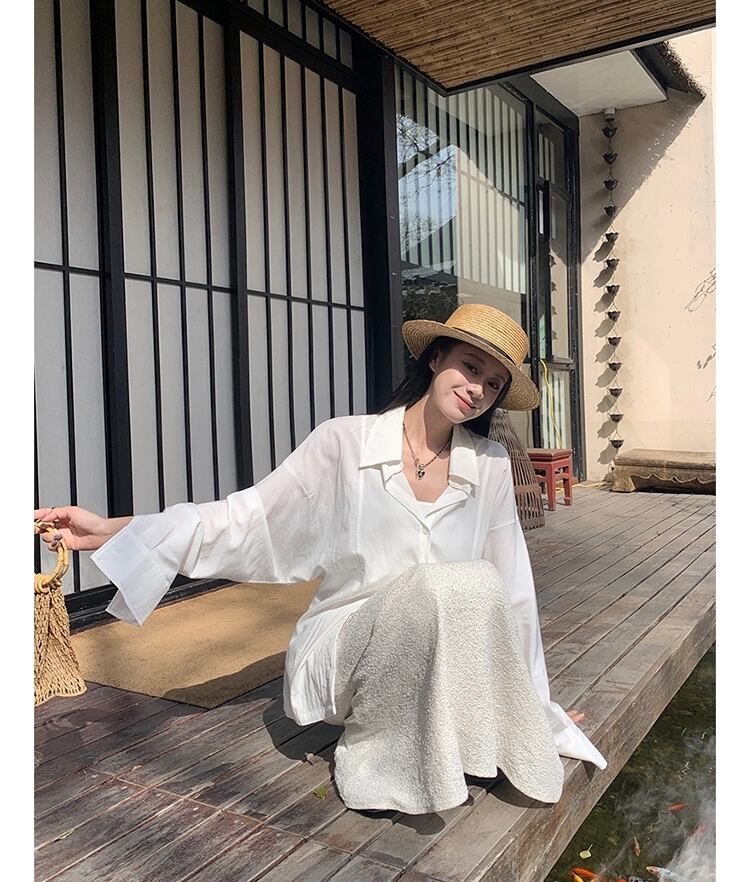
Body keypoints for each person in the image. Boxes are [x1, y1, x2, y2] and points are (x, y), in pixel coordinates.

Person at [35, 302, 607, 814]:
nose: (477, 388)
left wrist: (535, 706)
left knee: (475, 582)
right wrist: (111, 530)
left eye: (493, 383)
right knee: (439, 586)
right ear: (436, 358)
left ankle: (452, 733)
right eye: (470, 366)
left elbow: (512, 592)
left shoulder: (489, 465)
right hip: (343, 652)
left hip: (439, 658)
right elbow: (246, 518)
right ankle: (381, 759)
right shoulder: (344, 442)